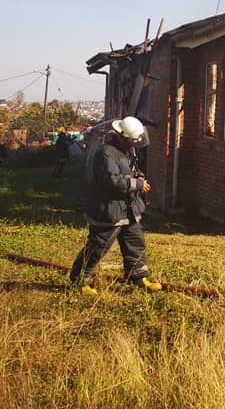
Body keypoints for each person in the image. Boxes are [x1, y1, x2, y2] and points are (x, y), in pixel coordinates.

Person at [69, 116, 161, 294]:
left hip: (128, 210)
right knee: (98, 247)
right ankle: (79, 281)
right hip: (109, 211)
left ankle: (138, 277)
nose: (134, 144)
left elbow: (133, 169)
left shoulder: (128, 150)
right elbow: (113, 181)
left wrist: (140, 176)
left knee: (136, 243)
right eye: (132, 141)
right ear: (121, 136)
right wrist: (138, 185)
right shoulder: (106, 154)